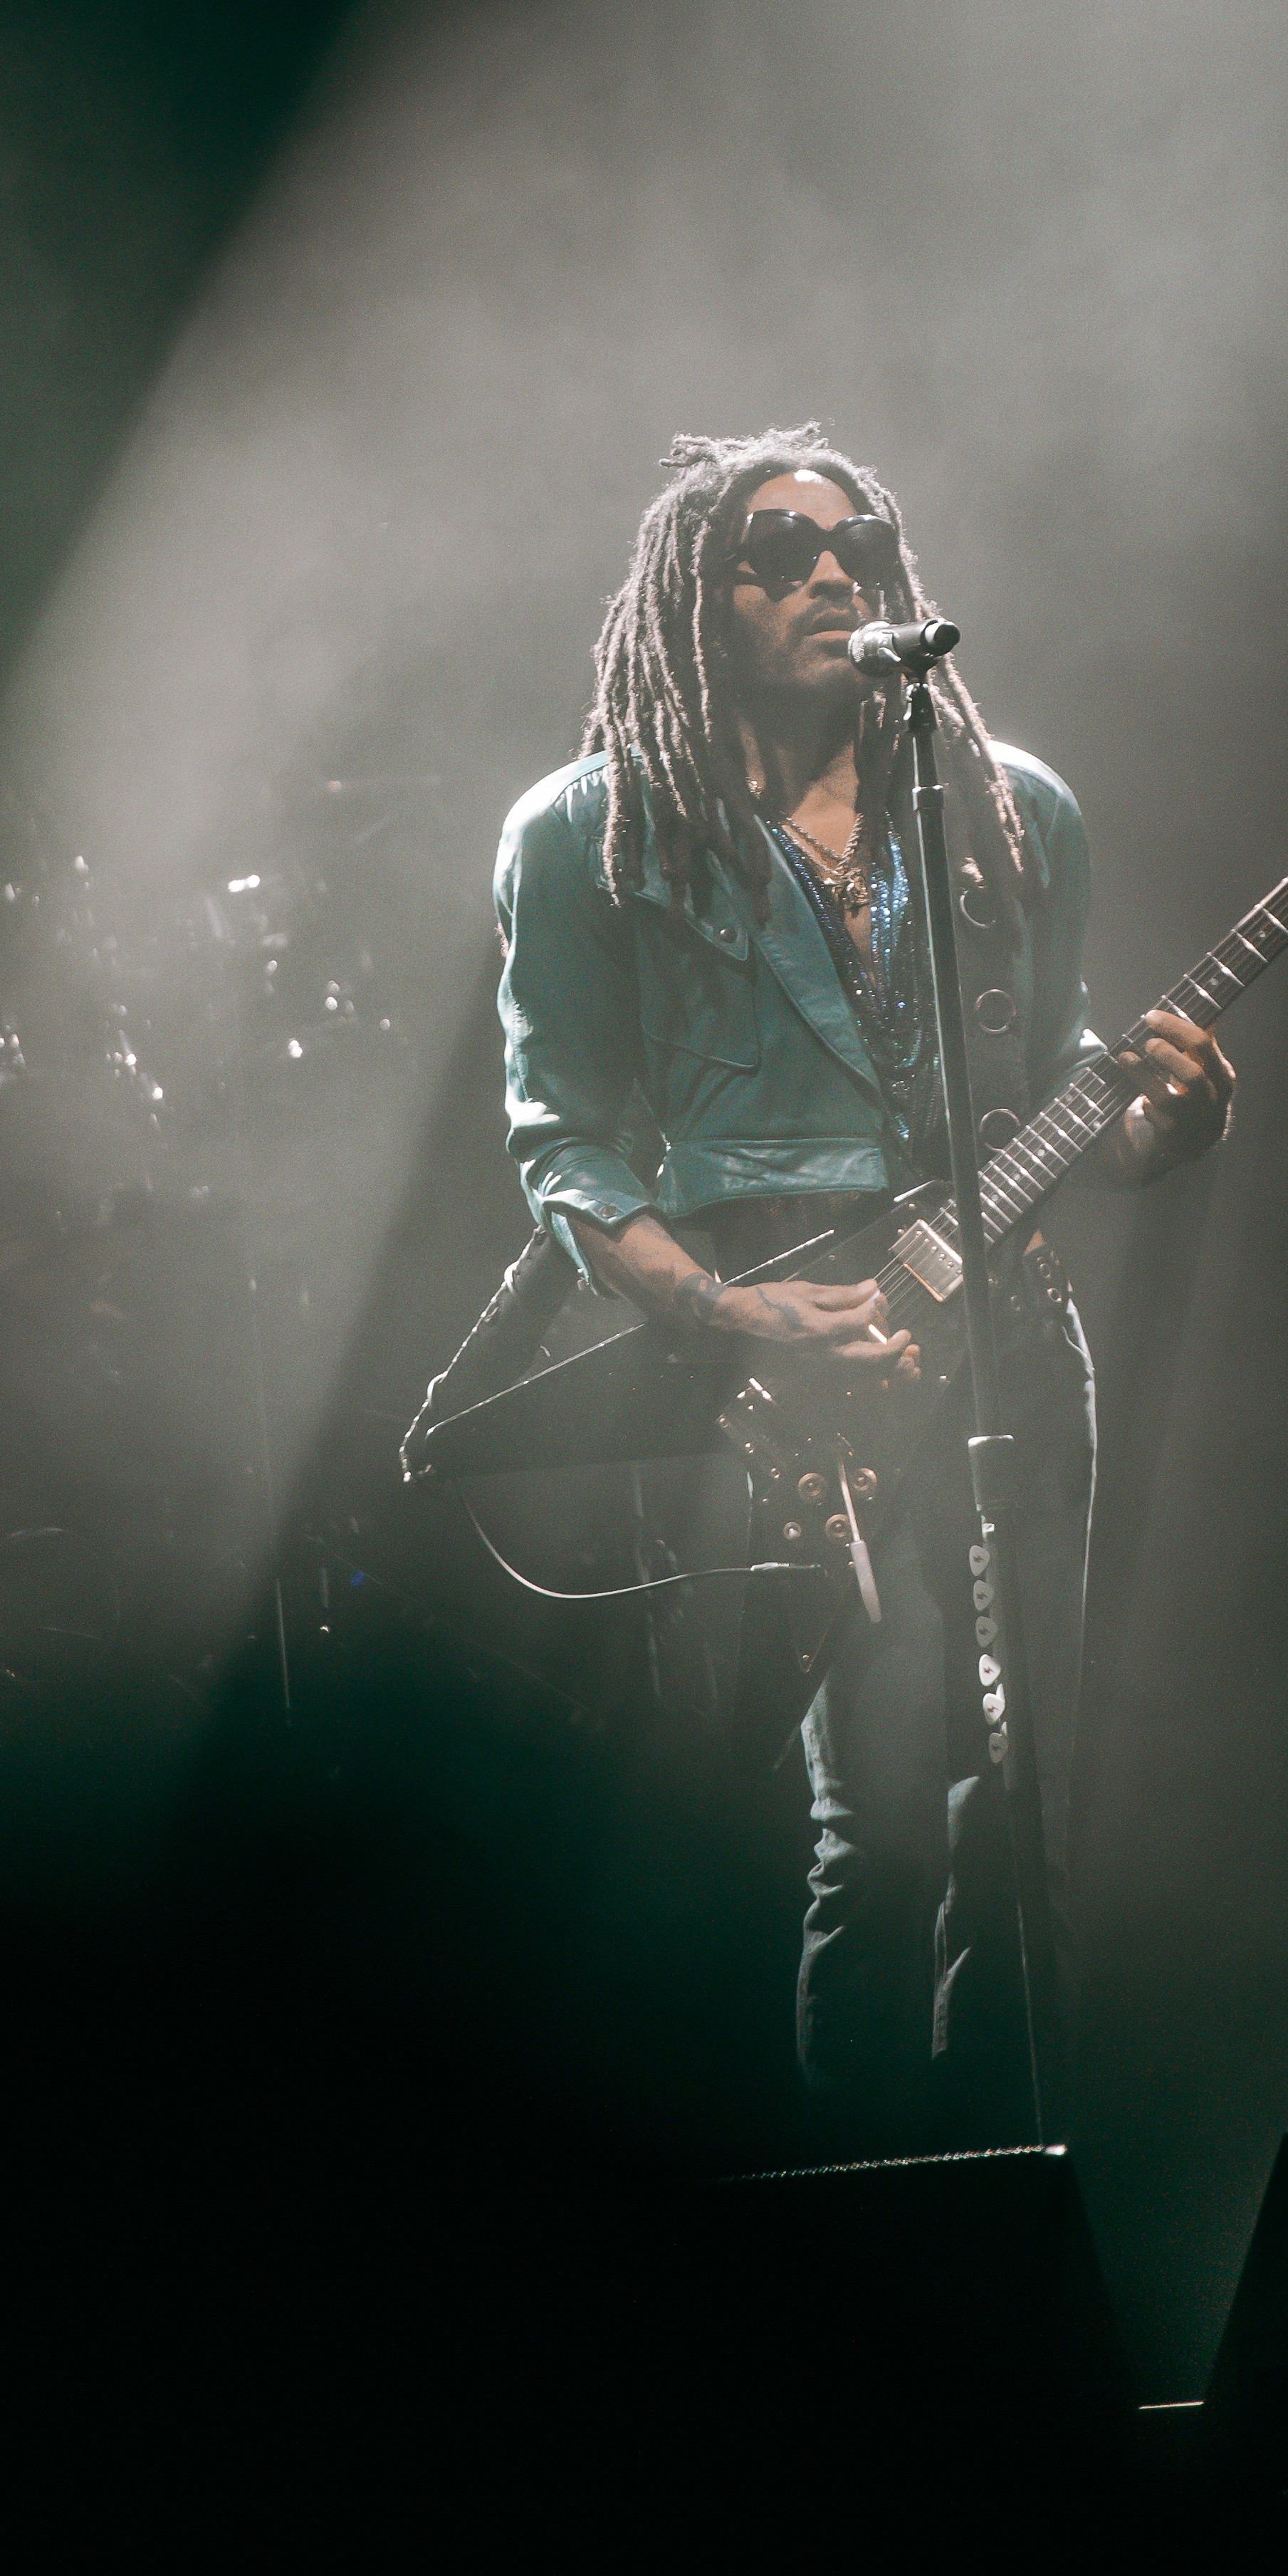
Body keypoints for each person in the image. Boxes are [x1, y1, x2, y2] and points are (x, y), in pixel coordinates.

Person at [494, 425, 1233, 2150]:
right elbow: (564, 1146)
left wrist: (1170, 1125)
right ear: (701, 594)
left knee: (1023, 1831)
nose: (833, 573)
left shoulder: (1002, 808)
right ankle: (877, 2225)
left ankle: (1019, 2215)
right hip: (798, 1374)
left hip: (1016, 1353)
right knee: (883, 1834)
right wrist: (730, 1312)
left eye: (863, 548)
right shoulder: (591, 833)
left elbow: (1064, 1097)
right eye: (780, 548)